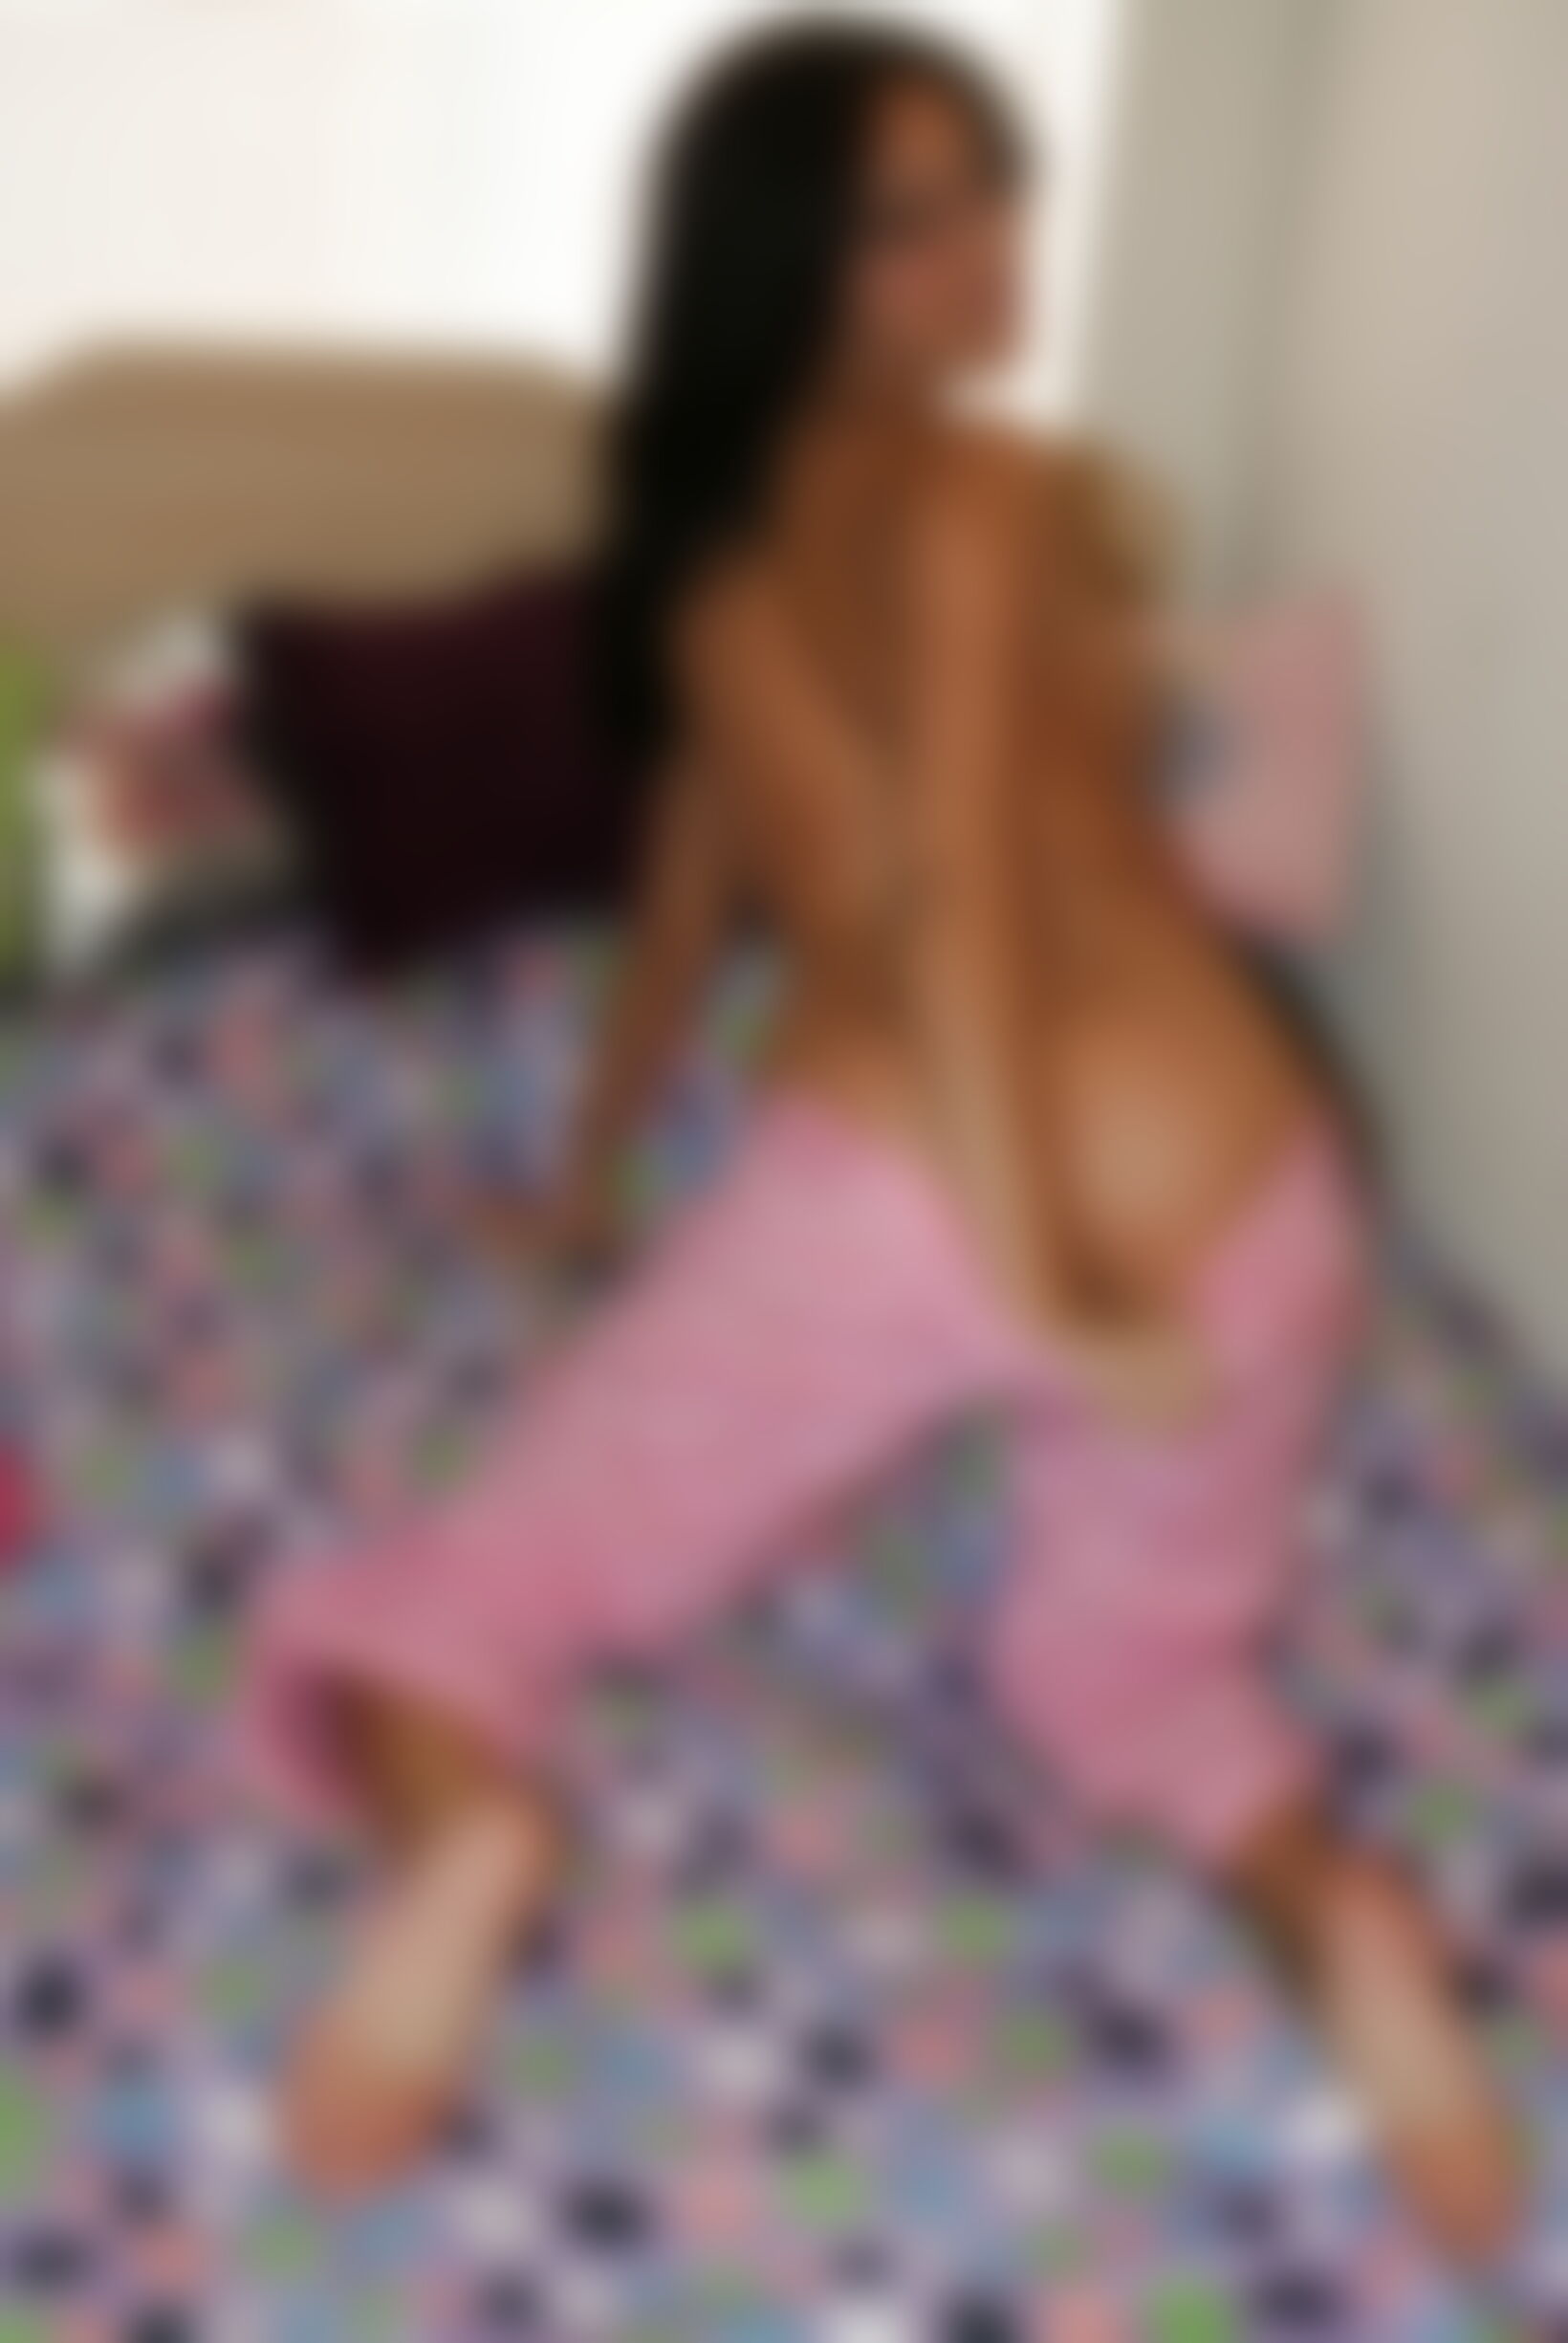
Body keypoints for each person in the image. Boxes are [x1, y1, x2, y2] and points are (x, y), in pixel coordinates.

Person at [238, 19, 1521, 2260]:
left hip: (933, 1173)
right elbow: (783, 900)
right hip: (1260, 1174)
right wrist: (634, 1190)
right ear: (789, 269)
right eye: (904, 226)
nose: (984, 256)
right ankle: (1332, 1917)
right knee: (1130, 1671)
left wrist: (993, 1264)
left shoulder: (756, 562)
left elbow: (880, 905)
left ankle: (471, 1842)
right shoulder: (1000, 497)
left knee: (453, 1605)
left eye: (988, 192)